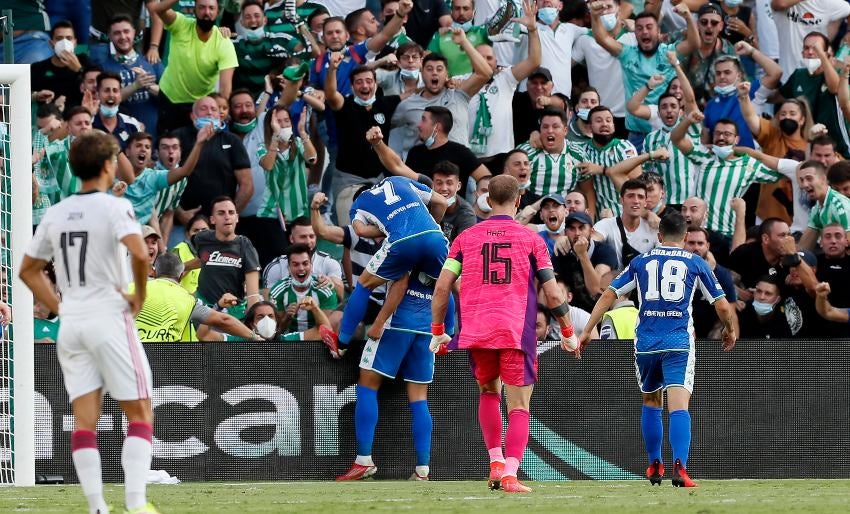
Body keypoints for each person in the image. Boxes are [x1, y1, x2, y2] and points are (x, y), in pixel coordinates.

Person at [18, 130, 159, 513]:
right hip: (108, 315)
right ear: (109, 164)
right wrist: (139, 296)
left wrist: (59, 307)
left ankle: (97, 507)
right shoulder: (115, 207)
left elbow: (28, 270)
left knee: (84, 420)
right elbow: (141, 256)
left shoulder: (56, 211)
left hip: (73, 322)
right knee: (141, 409)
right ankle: (135, 504)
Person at [431, 174, 578, 494]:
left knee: (487, 393)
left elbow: (442, 287)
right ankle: (510, 473)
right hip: (514, 330)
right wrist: (568, 331)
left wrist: (438, 331)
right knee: (519, 406)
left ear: (487, 200)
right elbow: (553, 295)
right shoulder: (531, 240)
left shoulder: (465, 238)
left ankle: (495, 462)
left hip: (477, 329)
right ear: (518, 201)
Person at [579, 212, 736, 488]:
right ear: (685, 238)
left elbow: (608, 294)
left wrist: (587, 330)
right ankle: (680, 468)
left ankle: (654, 463)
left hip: (646, 344)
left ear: (659, 236)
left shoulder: (640, 261)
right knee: (678, 406)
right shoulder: (696, 262)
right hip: (678, 342)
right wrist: (729, 329)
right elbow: (722, 304)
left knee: (651, 402)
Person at [337, 271, 453, 481]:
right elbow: (448, 291)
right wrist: (449, 331)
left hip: (397, 324)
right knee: (419, 398)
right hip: (427, 330)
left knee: (367, 385)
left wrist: (379, 322)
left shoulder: (406, 243)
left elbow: (401, 283)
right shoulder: (442, 253)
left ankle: (363, 461)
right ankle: (422, 470)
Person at [335, 176, 449, 356]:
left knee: (364, 285)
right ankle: (448, 338)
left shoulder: (359, 202)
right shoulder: (399, 181)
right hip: (433, 236)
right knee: (445, 284)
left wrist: (388, 223)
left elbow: (360, 230)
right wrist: (429, 226)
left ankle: (341, 343)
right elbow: (442, 202)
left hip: (400, 241)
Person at [590, 4, 699, 150]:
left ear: (658, 31)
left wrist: (688, 17)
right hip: (637, 134)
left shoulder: (668, 53)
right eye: (639, 28)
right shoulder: (627, 53)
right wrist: (594, 15)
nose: (644, 31)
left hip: (667, 132)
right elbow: (602, 39)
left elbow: (694, 43)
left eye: (649, 27)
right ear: (635, 34)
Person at [146, 0, 239, 133]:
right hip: (169, 99)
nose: (207, 12)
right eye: (201, 8)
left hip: (201, 106)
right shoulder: (181, 24)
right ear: (194, 10)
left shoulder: (224, 42)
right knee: (168, 148)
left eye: (211, 8)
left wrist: (218, 110)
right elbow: (159, 10)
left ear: (217, 13)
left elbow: (225, 86)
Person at [134, 253, 260, 342]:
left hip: (132, 358)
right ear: (181, 275)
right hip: (166, 363)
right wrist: (254, 337)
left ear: (154, 272)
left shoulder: (131, 289)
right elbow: (224, 320)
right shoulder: (187, 300)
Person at [174, 96, 254, 216]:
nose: (209, 112)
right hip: (182, 224)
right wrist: (180, 214)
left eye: (213, 109)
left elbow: (247, 185)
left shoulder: (232, 141)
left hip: (220, 226)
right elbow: (164, 179)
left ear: (220, 115)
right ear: (192, 116)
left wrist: (230, 216)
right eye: (203, 108)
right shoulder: (177, 138)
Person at [191, 196, 262, 321]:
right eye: (221, 213)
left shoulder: (245, 246)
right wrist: (182, 268)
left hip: (232, 313)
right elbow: (204, 259)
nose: (227, 217)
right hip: (204, 309)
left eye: (231, 212)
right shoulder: (201, 239)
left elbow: (253, 295)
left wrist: (252, 323)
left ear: (237, 217)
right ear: (212, 220)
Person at [91, 14, 164, 134]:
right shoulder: (104, 68)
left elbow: (170, 97)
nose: (123, 37)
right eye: (117, 33)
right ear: (109, 36)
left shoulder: (152, 62)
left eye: (126, 31)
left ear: (134, 33)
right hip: (120, 137)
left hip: (152, 136)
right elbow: (104, 100)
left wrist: (149, 86)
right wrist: (136, 86)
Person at [262, 217, 345, 299]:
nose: (308, 242)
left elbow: (341, 297)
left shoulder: (330, 262)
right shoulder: (276, 267)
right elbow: (269, 303)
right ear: (291, 238)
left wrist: (331, 283)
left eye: (311, 236)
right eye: (303, 237)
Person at [268, 244, 339, 334]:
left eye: (305, 263)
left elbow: (328, 329)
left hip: (316, 339)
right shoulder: (277, 291)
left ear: (311, 266)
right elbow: (276, 333)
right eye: (295, 265)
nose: (301, 268)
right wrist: (287, 317)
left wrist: (315, 308)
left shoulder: (325, 290)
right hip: (289, 341)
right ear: (289, 268)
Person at [592, 180, 659, 268]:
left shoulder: (654, 228)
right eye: (630, 196)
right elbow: (592, 241)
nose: (636, 201)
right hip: (614, 279)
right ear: (621, 200)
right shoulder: (606, 224)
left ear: (645, 202)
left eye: (640, 197)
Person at [30, 21, 90, 112]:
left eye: (69, 38)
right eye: (59, 39)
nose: (64, 42)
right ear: (51, 43)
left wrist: (79, 70)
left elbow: (98, 88)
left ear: (75, 43)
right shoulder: (38, 68)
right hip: (49, 120)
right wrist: (35, 96)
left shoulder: (85, 62)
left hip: (80, 118)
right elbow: (20, 94)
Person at [796, 160, 850, 250]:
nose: (804, 184)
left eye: (809, 178)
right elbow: (803, 248)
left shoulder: (840, 205)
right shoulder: (817, 207)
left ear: (823, 179)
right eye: (802, 180)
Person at [171, 213, 209, 295]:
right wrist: (194, 262)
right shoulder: (179, 250)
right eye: (196, 230)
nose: (200, 233)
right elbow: (170, 280)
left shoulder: (217, 251)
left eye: (204, 230)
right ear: (187, 234)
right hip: (181, 299)